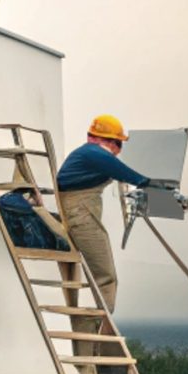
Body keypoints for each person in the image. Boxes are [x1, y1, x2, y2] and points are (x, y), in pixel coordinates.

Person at [54, 115, 151, 335]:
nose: (119, 150)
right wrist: (158, 186)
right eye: (120, 144)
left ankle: (90, 327)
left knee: (90, 275)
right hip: (81, 215)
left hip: (75, 213)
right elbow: (131, 176)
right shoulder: (96, 154)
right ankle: (94, 330)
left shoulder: (86, 153)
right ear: (112, 142)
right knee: (106, 277)